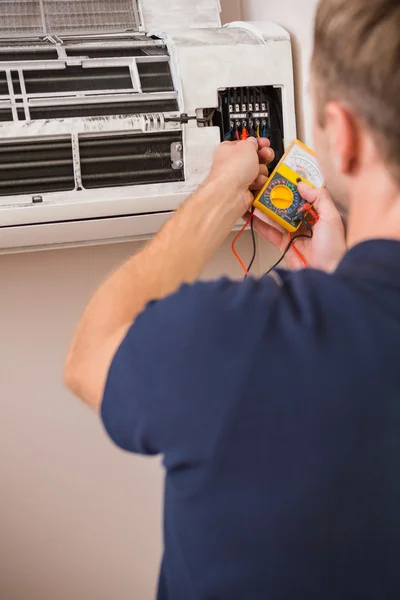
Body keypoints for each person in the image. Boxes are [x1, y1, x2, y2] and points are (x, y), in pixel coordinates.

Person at [64, 0, 400, 598]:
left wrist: (215, 196)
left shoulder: (240, 340)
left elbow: (90, 356)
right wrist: (338, 275)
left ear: (343, 137)